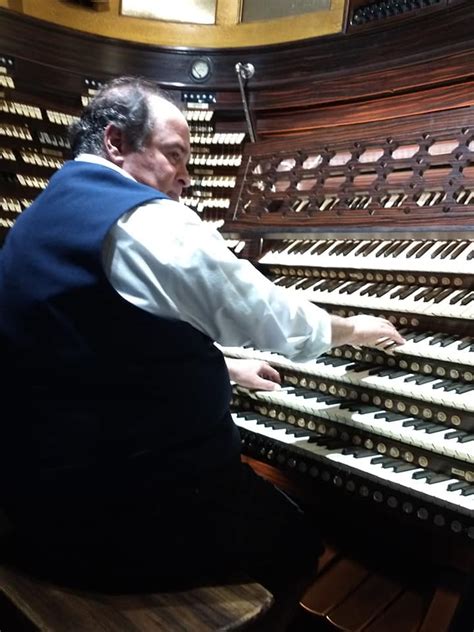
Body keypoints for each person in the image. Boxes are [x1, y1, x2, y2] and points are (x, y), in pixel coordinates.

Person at [0, 76, 404, 630]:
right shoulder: (147, 221)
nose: (186, 177)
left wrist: (223, 364)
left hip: (33, 500)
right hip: (112, 521)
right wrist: (353, 329)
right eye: (174, 155)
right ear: (116, 143)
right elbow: (269, 317)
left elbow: (89, 340)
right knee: (297, 540)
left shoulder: (40, 214)